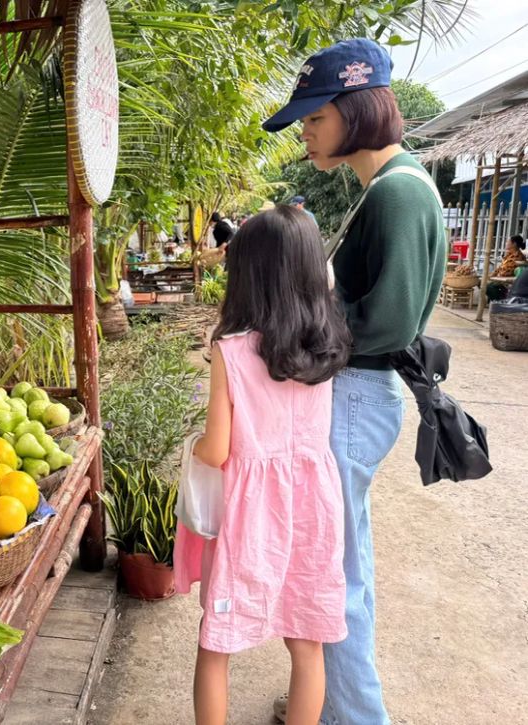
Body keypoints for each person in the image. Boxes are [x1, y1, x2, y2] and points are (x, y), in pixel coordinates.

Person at [263, 38, 447, 724]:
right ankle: (338, 702)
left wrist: (294, 339)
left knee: (329, 577)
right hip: (363, 397)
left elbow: (388, 323)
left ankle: (358, 716)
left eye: (316, 117)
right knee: (345, 567)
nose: (307, 132)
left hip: (357, 396)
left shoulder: (396, 193)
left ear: (357, 110)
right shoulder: (391, 185)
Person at [174, 206, 351, 725]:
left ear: (246, 274)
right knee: (307, 644)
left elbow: (217, 450)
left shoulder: (231, 350)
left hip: (252, 516)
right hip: (314, 505)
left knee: (217, 644)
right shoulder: (327, 342)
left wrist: (193, 449)